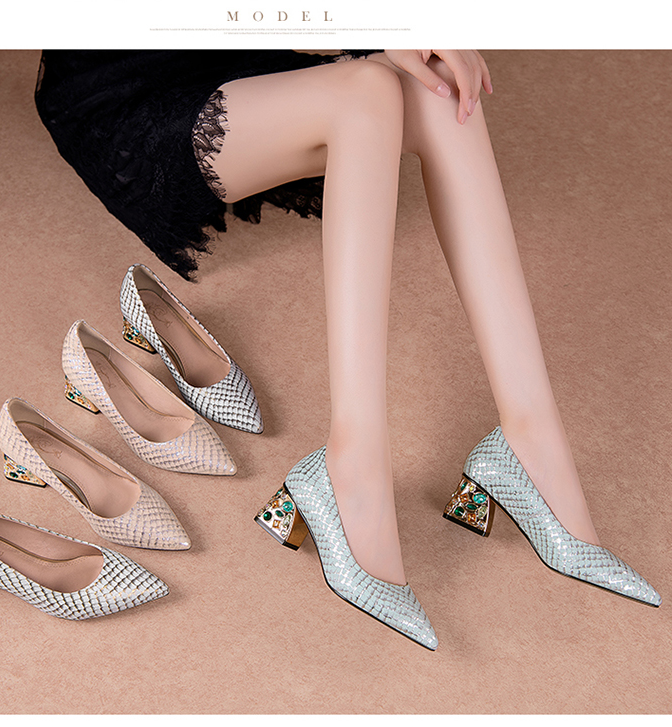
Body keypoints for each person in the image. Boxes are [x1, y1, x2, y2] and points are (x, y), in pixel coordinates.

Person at [35, 50, 660, 648]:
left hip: (226, 58)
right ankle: (353, 465)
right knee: (367, 92)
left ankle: (531, 441)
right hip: (124, 82)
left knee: (438, 89)